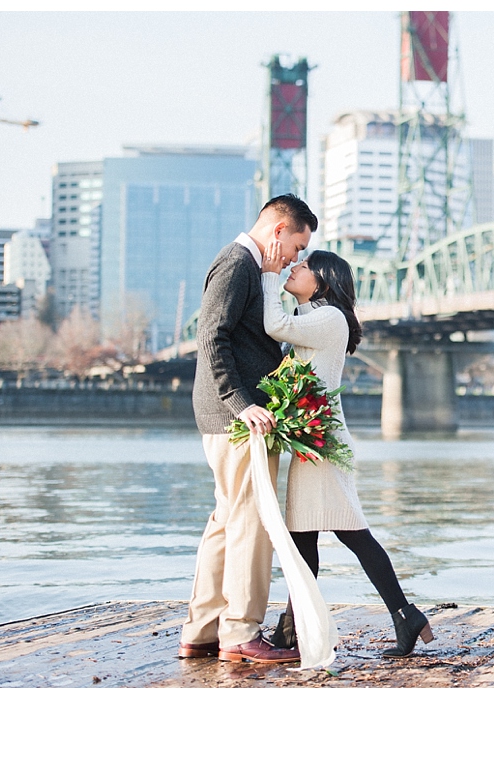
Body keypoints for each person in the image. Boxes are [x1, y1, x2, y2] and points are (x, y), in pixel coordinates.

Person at [260, 246, 434, 659]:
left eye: (302, 266)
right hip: (315, 441)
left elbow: (273, 323)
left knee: (347, 531)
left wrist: (268, 275)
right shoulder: (315, 318)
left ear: (322, 280)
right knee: (306, 535)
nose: (292, 268)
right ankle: (298, 629)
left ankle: (400, 615)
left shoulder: (330, 318)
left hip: (323, 444)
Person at [178, 194, 318, 664]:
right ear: (278, 230)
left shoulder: (247, 267)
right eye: (297, 246)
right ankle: (239, 631)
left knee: (225, 519)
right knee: (251, 520)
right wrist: (241, 405)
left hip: (228, 415)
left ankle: (201, 629)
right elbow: (210, 336)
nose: (296, 257)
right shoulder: (238, 263)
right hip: (238, 417)